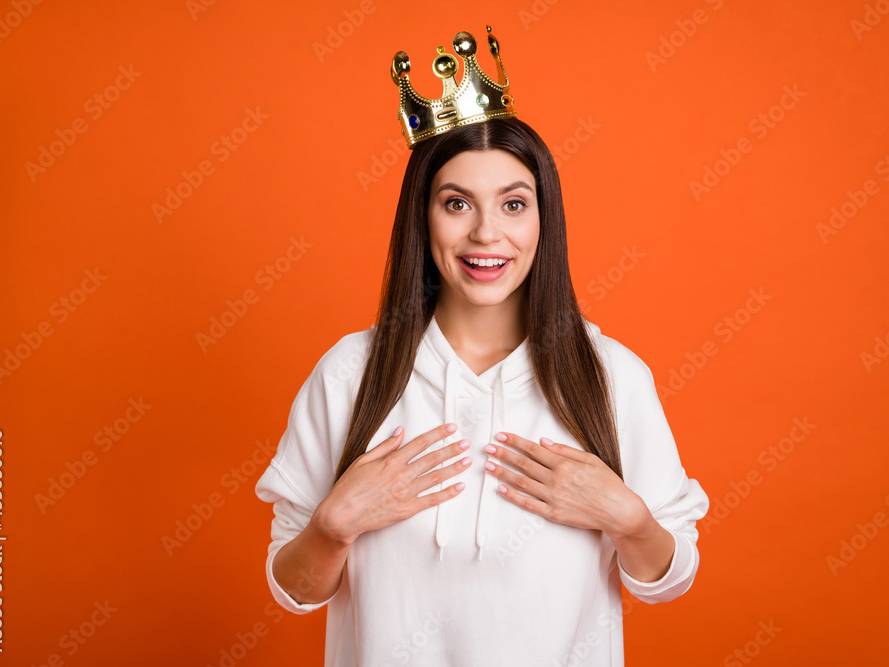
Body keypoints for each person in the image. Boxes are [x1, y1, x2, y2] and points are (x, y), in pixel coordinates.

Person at [255, 25, 710, 666]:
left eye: (514, 204)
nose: (486, 233)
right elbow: (294, 589)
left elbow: (668, 578)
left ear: (543, 219)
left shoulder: (611, 378)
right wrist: (333, 526)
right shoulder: (349, 375)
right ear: (424, 216)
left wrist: (630, 519)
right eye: (457, 203)